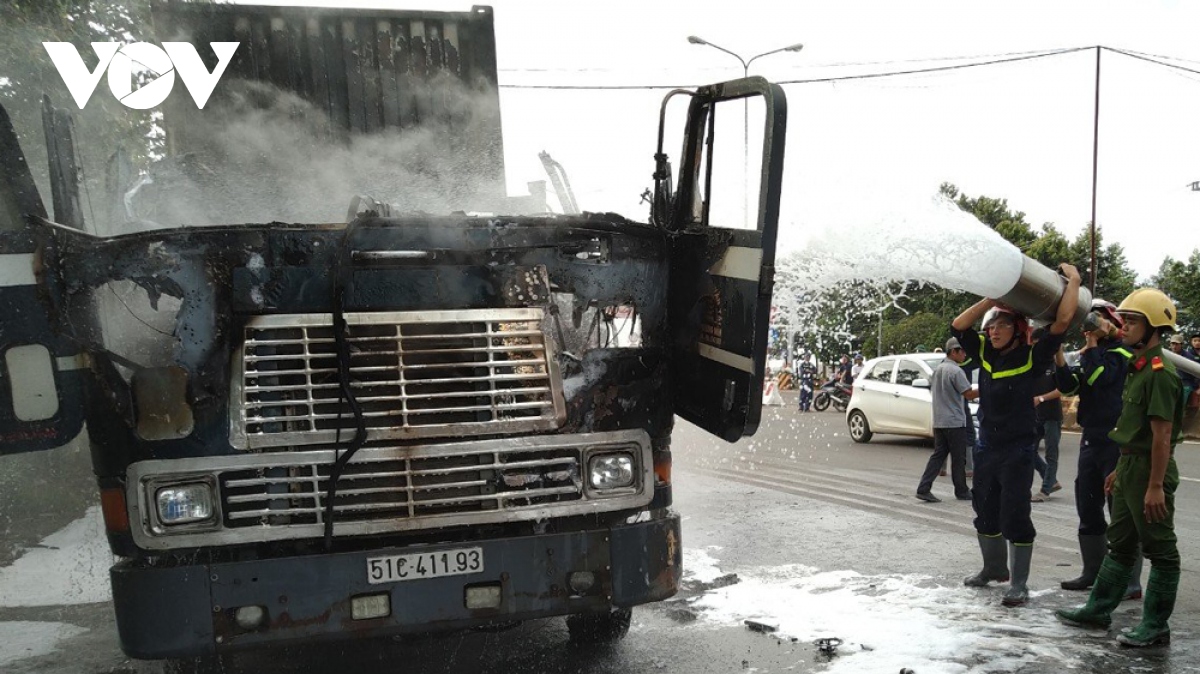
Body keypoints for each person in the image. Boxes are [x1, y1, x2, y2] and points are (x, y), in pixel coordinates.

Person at [1056, 288, 1187, 648]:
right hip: (1129, 465)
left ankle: (1156, 625)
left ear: (1155, 327)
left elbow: (1161, 438)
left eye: (1133, 321)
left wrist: (1156, 485)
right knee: (1121, 546)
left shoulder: (1160, 372)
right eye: (1124, 319)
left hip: (1149, 470)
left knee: (1160, 550)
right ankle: (1098, 609)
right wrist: (1122, 469)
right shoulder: (1139, 365)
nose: (1124, 326)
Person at [953, 262, 1082, 607]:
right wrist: (990, 301)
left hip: (1018, 450)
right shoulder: (985, 353)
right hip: (987, 447)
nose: (994, 331)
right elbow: (958, 325)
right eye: (991, 326)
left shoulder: (1033, 355)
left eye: (1002, 325)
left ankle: (1019, 583)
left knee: (1015, 514)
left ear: (1018, 328)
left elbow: (1064, 321)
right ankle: (993, 570)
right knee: (984, 511)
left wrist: (1075, 282)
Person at [1054, 299, 1142, 599]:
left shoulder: (1121, 354)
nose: (1092, 324)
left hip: (1116, 441)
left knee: (1120, 511)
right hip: (1090, 439)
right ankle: (1092, 571)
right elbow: (1069, 386)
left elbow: (1098, 378)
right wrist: (1059, 356)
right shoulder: (1092, 354)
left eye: (1099, 319)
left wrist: (1090, 348)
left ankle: (1129, 581)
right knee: (1088, 506)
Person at [915, 337, 978, 503]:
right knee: (959, 457)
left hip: (939, 419)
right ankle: (962, 490)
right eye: (962, 351)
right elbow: (968, 393)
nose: (964, 354)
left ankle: (924, 487)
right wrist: (987, 388)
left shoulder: (938, 370)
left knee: (938, 455)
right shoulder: (956, 371)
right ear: (954, 352)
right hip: (955, 421)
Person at [1030, 328, 1064, 501]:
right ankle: (1051, 480)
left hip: (1052, 415)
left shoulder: (1055, 365)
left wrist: (1042, 398)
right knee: (1029, 450)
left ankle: (1045, 490)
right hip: (1037, 416)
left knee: (1051, 453)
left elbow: (1062, 390)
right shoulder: (1034, 366)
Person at [1169, 334, 1196, 406]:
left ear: (1181, 345)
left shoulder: (1189, 357)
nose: (1174, 346)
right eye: (1173, 344)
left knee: (1178, 403)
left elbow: (1196, 373)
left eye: (1177, 344)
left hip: (1186, 384)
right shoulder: (1168, 355)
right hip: (1172, 382)